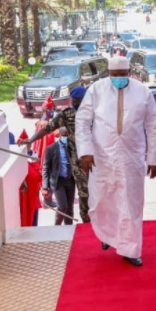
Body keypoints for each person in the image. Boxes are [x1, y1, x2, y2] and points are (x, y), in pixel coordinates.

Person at [76, 56, 156, 267]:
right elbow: (82, 121)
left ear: (129, 72)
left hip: (132, 157)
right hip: (102, 158)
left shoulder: (143, 91)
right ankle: (109, 236)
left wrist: (154, 158)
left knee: (131, 204)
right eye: (115, 75)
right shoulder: (96, 90)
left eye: (122, 74)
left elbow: (153, 126)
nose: (119, 79)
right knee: (102, 201)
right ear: (109, 74)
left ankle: (131, 249)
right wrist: (85, 152)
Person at [20, 86, 90, 223]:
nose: (76, 103)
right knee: (84, 194)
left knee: (100, 193)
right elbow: (47, 129)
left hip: (97, 160)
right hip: (78, 162)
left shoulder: (95, 113)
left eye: (79, 101)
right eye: (74, 101)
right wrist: (31, 139)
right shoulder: (67, 114)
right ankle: (87, 222)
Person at [42, 127, 76, 225]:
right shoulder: (51, 149)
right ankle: (56, 227)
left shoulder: (73, 147)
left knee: (70, 208)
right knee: (62, 207)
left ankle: (69, 230)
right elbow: (45, 168)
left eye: (67, 135)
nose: (66, 137)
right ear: (60, 135)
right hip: (58, 182)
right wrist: (45, 186)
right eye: (64, 135)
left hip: (70, 180)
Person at [32, 95, 57, 167]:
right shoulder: (46, 124)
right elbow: (55, 134)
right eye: (51, 109)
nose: (52, 111)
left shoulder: (39, 122)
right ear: (46, 111)